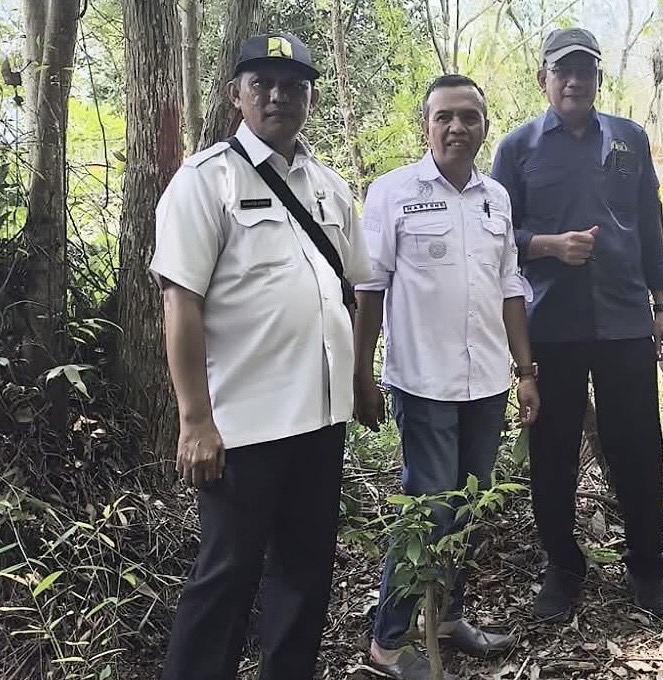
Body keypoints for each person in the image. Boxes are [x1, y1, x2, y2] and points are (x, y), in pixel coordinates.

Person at [150, 33, 371, 680]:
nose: (278, 95)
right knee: (226, 577)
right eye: (262, 83)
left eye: (293, 85)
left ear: (311, 97)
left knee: (305, 572)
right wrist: (195, 419)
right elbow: (180, 302)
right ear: (236, 95)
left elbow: (352, 289)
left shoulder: (330, 187)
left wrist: (360, 377)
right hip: (242, 424)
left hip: (319, 419)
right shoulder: (205, 180)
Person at [353, 74, 540, 680]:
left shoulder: (496, 198)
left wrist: (525, 371)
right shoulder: (392, 192)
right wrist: (361, 373)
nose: (457, 127)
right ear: (426, 126)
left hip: (486, 381)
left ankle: (445, 620)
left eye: (469, 117)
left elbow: (509, 286)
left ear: (485, 126)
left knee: (469, 511)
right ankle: (387, 643)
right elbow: (370, 288)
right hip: (422, 382)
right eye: (444, 117)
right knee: (427, 510)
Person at [492, 27, 663, 621]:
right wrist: (549, 245)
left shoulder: (629, 139)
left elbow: (650, 223)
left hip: (624, 322)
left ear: (599, 78)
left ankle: (647, 567)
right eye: (562, 71)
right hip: (552, 326)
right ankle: (563, 568)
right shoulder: (517, 148)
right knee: (553, 451)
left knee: (638, 448)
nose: (574, 81)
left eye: (585, 71)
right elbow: (497, 235)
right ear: (543, 78)